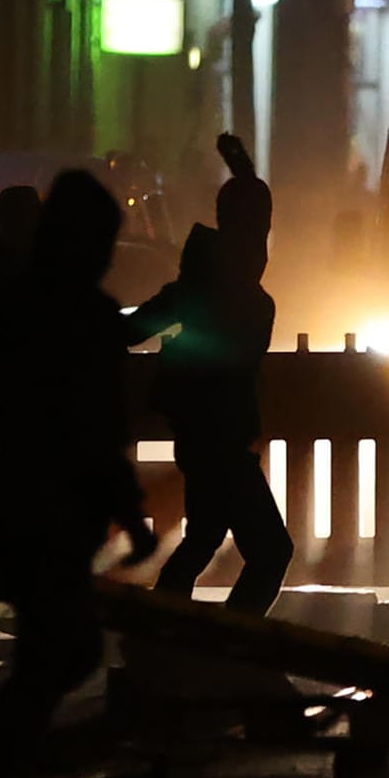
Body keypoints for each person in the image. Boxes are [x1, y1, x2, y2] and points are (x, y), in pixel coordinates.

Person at [0, 171, 155, 778]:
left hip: (15, 507)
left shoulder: (12, 305)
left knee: (54, 644)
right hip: (53, 514)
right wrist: (131, 515)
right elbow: (92, 432)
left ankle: (12, 755)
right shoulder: (87, 319)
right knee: (66, 645)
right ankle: (5, 755)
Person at [123, 140, 291, 615]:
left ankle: (166, 625)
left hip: (204, 438)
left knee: (202, 539)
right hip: (221, 441)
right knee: (270, 550)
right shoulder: (248, 300)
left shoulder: (203, 290)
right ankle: (225, 636)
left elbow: (130, 330)